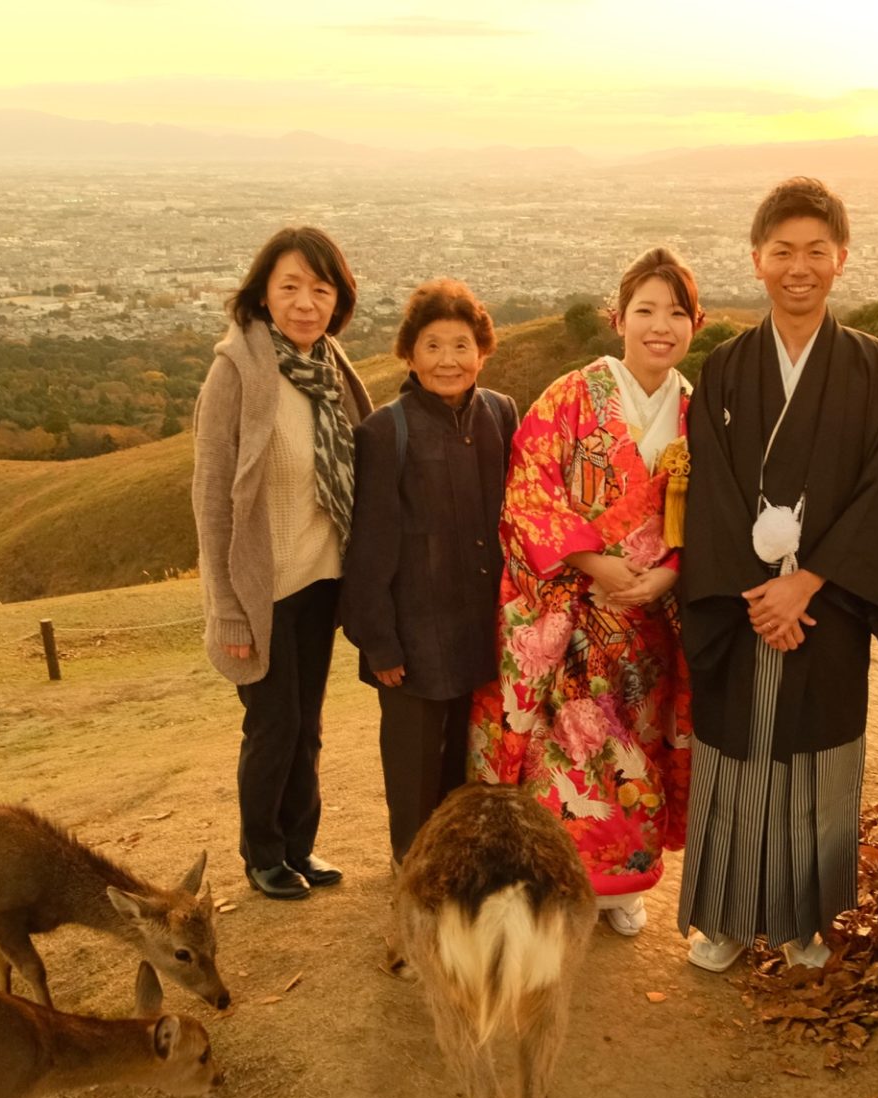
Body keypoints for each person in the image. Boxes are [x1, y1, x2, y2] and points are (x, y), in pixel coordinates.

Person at [676, 178, 878, 971]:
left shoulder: (874, 370)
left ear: (841, 259)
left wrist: (805, 584)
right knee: (736, 752)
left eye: (817, 250)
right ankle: (726, 921)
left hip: (828, 606)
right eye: (784, 251)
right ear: (757, 259)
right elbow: (710, 492)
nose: (799, 266)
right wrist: (760, 595)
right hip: (743, 603)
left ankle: (808, 920)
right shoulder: (726, 369)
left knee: (818, 756)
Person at [469, 249, 698, 937]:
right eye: (646, 310)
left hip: (650, 622)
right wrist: (597, 565)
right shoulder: (572, 396)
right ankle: (558, 886)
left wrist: (671, 572)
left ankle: (622, 888)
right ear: (618, 318)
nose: (661, 326)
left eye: (677, 313)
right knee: (568, 757)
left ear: (697, 323)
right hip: (576, 616)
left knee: (638, 757)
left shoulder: (697, 410)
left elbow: (719, 509)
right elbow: (530, 487)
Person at [193, 226, 373, 900]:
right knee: (273, 725)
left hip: (321, 579)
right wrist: (228, 608)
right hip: (262, 588)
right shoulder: (236, 372)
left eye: (320, 289)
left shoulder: (331, 368)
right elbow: (211, 499)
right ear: (263, 293)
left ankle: (299, 845)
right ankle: (262, 852)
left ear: (338, 300)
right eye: (290, 286)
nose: (305, 301)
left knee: (309, 723)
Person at [343, 280, 516, 867]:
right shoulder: (384, 432)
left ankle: (457, 862)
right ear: (410, 354)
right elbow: (367, 550)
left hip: (482, 629)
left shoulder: (499, 413)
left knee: (465, 760)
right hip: (413, 637)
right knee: (414, 765)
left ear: (482, 351)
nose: (449, 360)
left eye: (462, 345)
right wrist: (379, 643)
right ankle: (413, 867)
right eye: (433, 345)